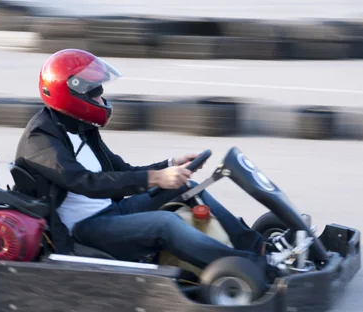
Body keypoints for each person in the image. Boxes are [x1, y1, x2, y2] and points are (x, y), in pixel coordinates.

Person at [14, 49, 274, 271]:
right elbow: (85, 182)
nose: (102, 99)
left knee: (184, 187)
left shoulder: (79, 127)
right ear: (73, 94)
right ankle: (246, 266)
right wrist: (156, 178)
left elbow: (121, 170)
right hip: (83, 230)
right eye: (95, 93)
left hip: (110, 212)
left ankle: (258, 247)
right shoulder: (41, 140)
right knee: (165, 223)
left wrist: (169, 165)